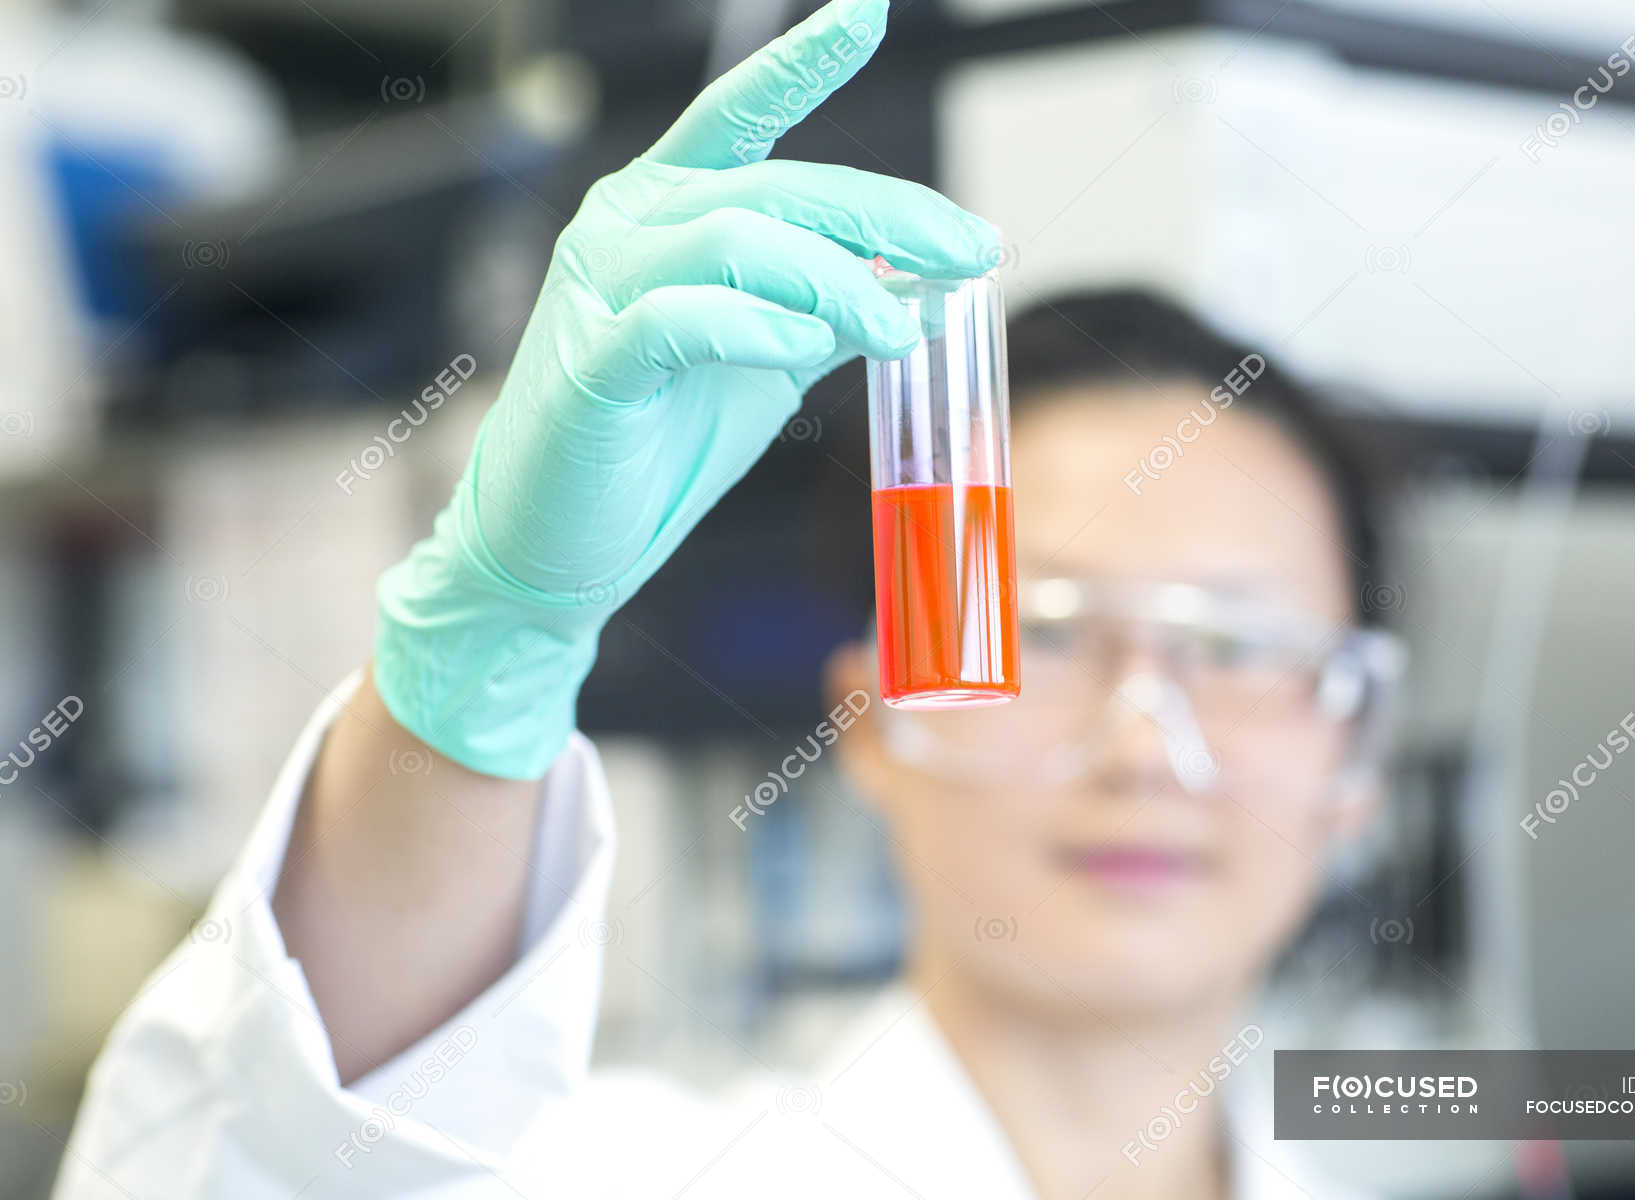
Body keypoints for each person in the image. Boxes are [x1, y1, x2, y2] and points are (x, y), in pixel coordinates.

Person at [54, 1, 1402, 1196]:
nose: (1140, 743)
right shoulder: (627, 1173)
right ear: (869, 723)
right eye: (1044, 630)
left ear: (1359, 755)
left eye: (1241, 642)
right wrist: (489, 648)